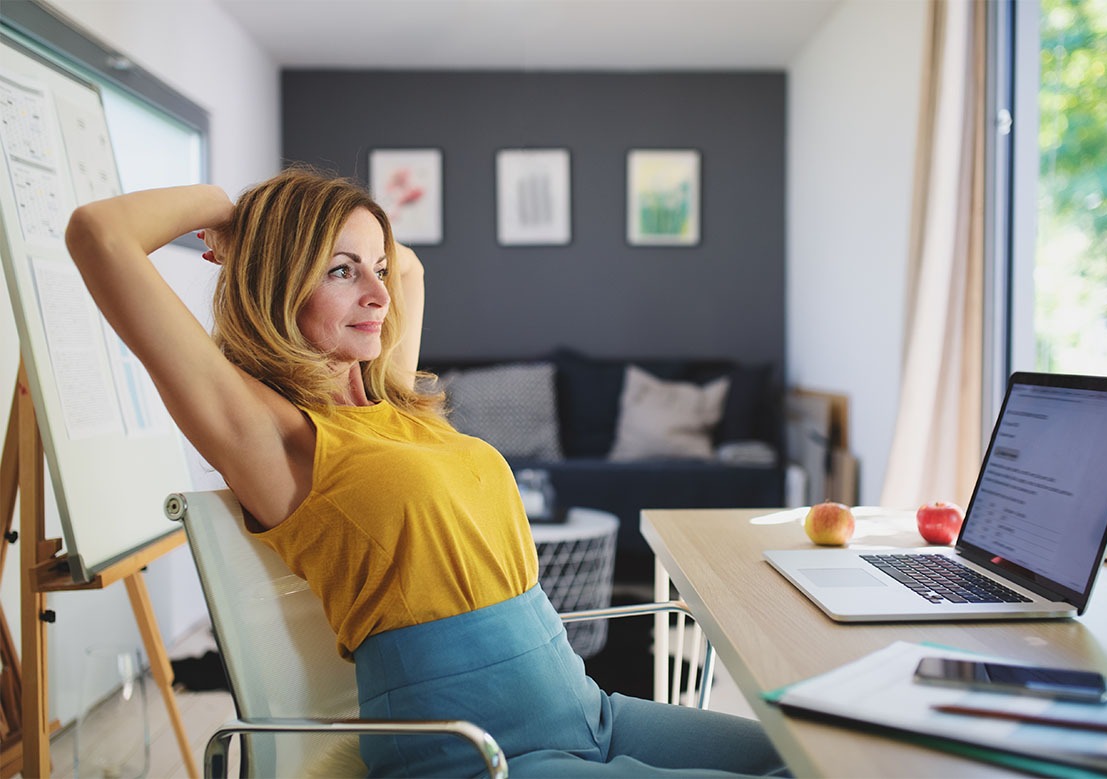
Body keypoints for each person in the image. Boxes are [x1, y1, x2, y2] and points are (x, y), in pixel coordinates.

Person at [66, 167, 788, 778]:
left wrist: (346, 243)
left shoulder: (395, 399)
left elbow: (409, 265)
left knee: (815, 757)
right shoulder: (271, 434)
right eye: (342, 272)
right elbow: (99, 234)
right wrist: (234, 212)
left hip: (588, 705)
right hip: (483, 750)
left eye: (371, 269)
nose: (380, 295)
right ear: (277, 280)